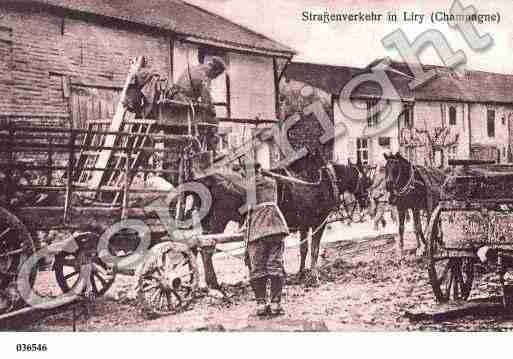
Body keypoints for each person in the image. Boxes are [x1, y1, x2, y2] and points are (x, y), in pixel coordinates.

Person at [243, 162, 289, 317]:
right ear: (260, 170)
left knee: (257, 267)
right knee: (275, 264)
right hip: (276, 225)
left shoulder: (250, 184)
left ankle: (261, 304)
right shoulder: (272, 182)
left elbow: (249, 206)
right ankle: (276, 304)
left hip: (258, 227)